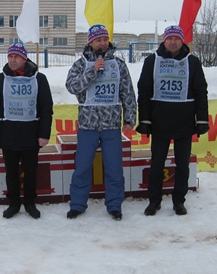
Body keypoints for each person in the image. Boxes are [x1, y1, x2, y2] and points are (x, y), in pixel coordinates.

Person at [65, 24, 136, 220]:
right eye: (98, 40)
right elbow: (71, 86)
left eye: (105, 40)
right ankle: (78, 204)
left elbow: (128, 92)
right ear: (91, 42)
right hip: (88, 125)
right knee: (83, 167)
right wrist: (92, 71)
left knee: (114, 168)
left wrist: (130, 118)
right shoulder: (80, 65)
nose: (103, 43)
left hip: (111, 125)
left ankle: (114, 205)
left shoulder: (119, 65)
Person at [136, 25, 209, 216]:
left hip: (184, 122)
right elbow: (144, 90)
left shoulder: (192, 62)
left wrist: (202, 120)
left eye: (177, 38)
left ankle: (179, 201)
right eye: (170, 38)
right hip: (159, 122)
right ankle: (154, 201)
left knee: (182, 165)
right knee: (157, 165)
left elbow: (201, 91)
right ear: (164, 40)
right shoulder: (152, 61)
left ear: (182, 41)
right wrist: (144, 119)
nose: (173, 42)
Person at [0, 43, 53, 219]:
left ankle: (30, 202)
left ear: (24, 58)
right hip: (8, 134)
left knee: (31, 172)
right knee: (11, 172)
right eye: (10, 56)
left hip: (31, 134)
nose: (12, 60)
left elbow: (46, 108)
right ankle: (14, 203)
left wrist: (44, 134)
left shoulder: (39, 79)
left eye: (16, 56)